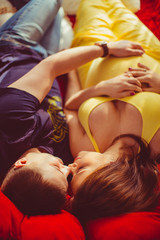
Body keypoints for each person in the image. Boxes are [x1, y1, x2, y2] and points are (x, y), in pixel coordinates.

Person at [0, 0, 145, 216]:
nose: (68, 167)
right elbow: (70, 108)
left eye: (58, 169)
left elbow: (51, 67)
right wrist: (82, 78)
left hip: (19, 46)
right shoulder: (58, 158)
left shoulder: (13, 122)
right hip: (48, 55)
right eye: (66, 175)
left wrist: (106, 48)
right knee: (60, 17)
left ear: (22, 162)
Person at [64, 0, 160, 222]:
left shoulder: (83, 147)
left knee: (90, 3)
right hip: (145, 51)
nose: (71, 165)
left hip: (95, 56)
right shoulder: (156, 144)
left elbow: (69, 107)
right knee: (116, 6)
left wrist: (97, 88)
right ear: (109, 172)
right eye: (79, 171)